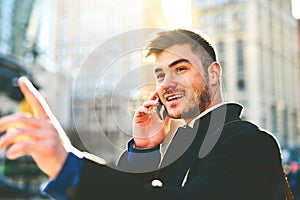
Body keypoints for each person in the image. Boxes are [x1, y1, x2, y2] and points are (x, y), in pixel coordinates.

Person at [0, 29, 288, 199]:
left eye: (181, 69)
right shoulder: (183, 144)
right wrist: (145, 149)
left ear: (213, 74)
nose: (167, 83)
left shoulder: (250, 143)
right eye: (160, 74)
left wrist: (71, 167)